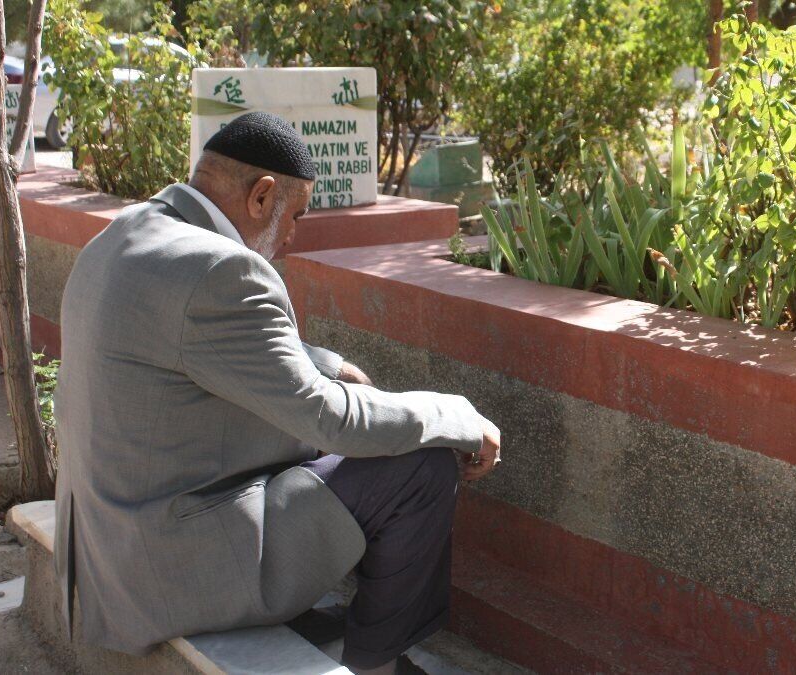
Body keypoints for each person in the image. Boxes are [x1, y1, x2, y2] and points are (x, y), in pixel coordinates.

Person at [53, 111, 501, 674]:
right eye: (296, 215)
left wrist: (330, 365)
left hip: (107, 552)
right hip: (171, 574)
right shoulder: (221, 269)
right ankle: (377, 662)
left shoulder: (127, 232)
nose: (291, 236)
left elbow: (200, 344)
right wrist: (456, 414)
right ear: (261, 196)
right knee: (421, 465)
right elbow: (332, 421)